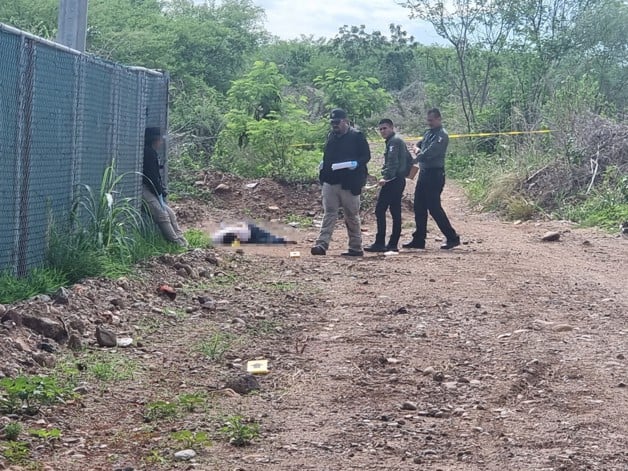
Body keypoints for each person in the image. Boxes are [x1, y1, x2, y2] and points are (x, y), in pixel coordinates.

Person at [311, 109, 371, 257]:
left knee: (351, 215)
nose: (334, 125)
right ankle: (321, 244)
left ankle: (356, 247)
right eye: (332, 123)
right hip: (331, 181)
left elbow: (366, 156)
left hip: (349, 183)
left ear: (345, 121)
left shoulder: (357, 136)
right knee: (329, 213)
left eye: (337, 122)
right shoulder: (331, 136)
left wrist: (355, 163)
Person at [403, 109, 460, 250]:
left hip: (435, 174)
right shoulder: (429, 133)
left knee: (434, 207)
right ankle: (419, 239)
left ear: (439, 119)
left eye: (431, 120)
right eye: (428, 120)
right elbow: (419, 143)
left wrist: (414, 158)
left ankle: (452, 237)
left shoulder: (442, 135)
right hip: (424, 173)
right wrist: (416, 148)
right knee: (419, 206)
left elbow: (430, 152)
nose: (429, 122)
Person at [364, 119, 409, 253]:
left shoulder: (394, 142)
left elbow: (392, 162)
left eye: (385, 128)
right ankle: (392, 243)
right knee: (395, 211)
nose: (382, 131)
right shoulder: (394, 140)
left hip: (393, 181)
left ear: (391, 127)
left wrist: (386, 178)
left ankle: (380, 242)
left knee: (380, 210)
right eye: (381, 129)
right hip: (398, 180)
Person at [142, 127, 187, 247]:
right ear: (154, 140)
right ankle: (176, 244)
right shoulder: (148, 153)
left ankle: (183, 242)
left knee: (170, 214)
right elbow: (152, 177)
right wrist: (159, 191)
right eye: (159, 140)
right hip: (143, 189)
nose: (160, 142)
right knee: (162, 215)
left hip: (150, 189)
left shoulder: (151, 152)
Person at [212, 222, 295, 245]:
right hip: (247, 229)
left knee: (267, 240)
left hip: (251, 232)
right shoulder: (217, 238)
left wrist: (238, 241)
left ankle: (284, 240)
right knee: (267, 237)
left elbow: (236, 236)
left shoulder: (231, 235)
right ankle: (282, 239)